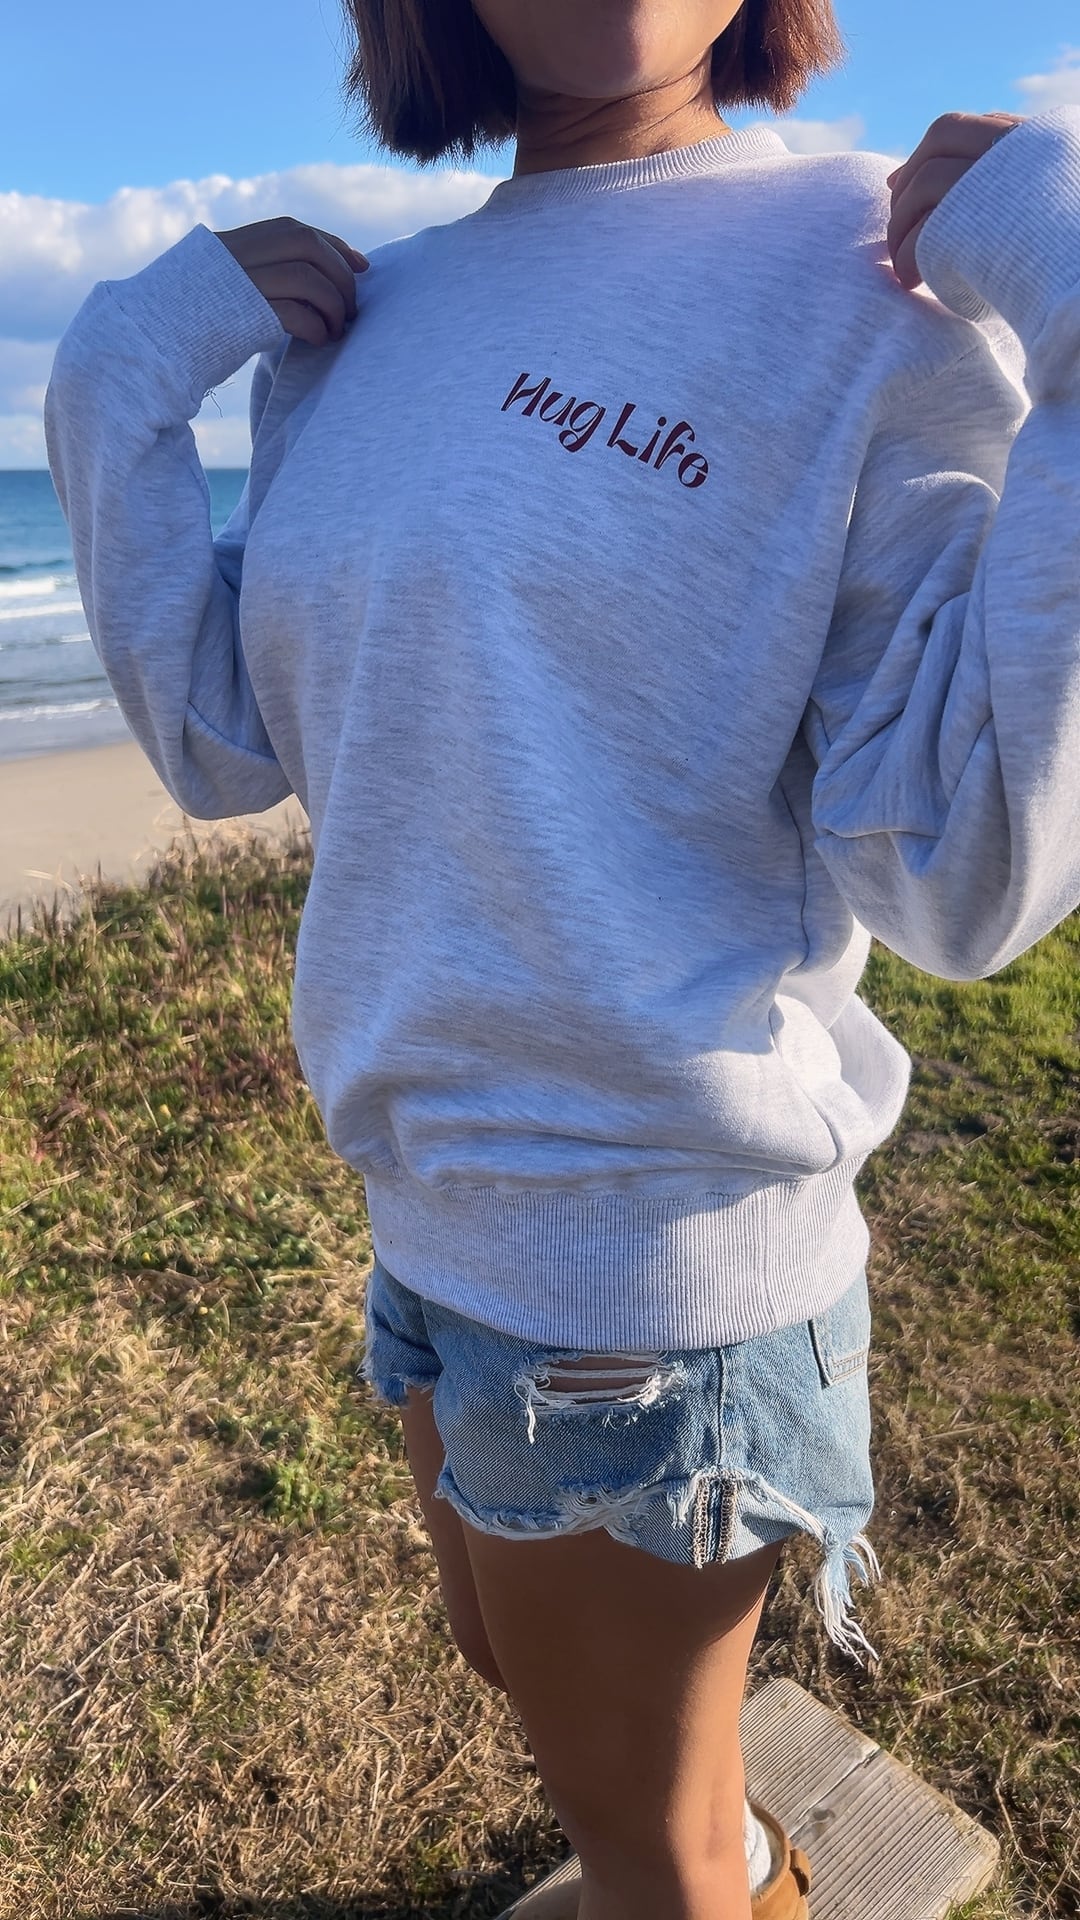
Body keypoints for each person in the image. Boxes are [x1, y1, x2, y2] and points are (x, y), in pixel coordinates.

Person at [42, 0, 1078, 1911]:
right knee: (519, 1667)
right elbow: (216, 736)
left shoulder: (873, 278)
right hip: (430, 1205)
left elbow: (969, 869)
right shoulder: (373, 320)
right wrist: (116, 375)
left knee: (641, 1854)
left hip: (649, 1257)